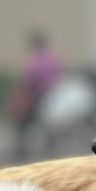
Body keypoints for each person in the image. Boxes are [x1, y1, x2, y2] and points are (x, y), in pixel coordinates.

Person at [12, 31, 65, 159]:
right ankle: (47, 145)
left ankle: (22, 147)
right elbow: (60, 75)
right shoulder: (53, 57)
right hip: (53, 93)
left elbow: (29, 78)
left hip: (40, 93)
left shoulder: (34, 59)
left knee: (23, 117)